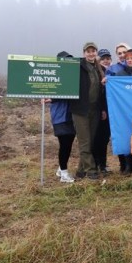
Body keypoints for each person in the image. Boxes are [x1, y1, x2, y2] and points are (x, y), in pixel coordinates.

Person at [71, 42, 106, 180]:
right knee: (84, 142)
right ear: (84, 52)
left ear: (96, 52)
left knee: (90, 142)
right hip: (80, 110)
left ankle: (80, 171)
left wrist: (102, 109)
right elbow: (66, 84)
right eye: (88, 51)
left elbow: (102, 92)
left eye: (93, 51)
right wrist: (53, 98)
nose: (91, 53)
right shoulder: (78, 66)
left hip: (95, 109)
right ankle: (91, 171)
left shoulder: (100, 68)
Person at [50, 51, 77, 183]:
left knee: (69, 143)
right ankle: (64, 174)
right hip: (60, 116)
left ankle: (61, 168)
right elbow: (50, 94)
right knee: (64, 144)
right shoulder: (56, 76)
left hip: (71, 116)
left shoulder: (72, 77)